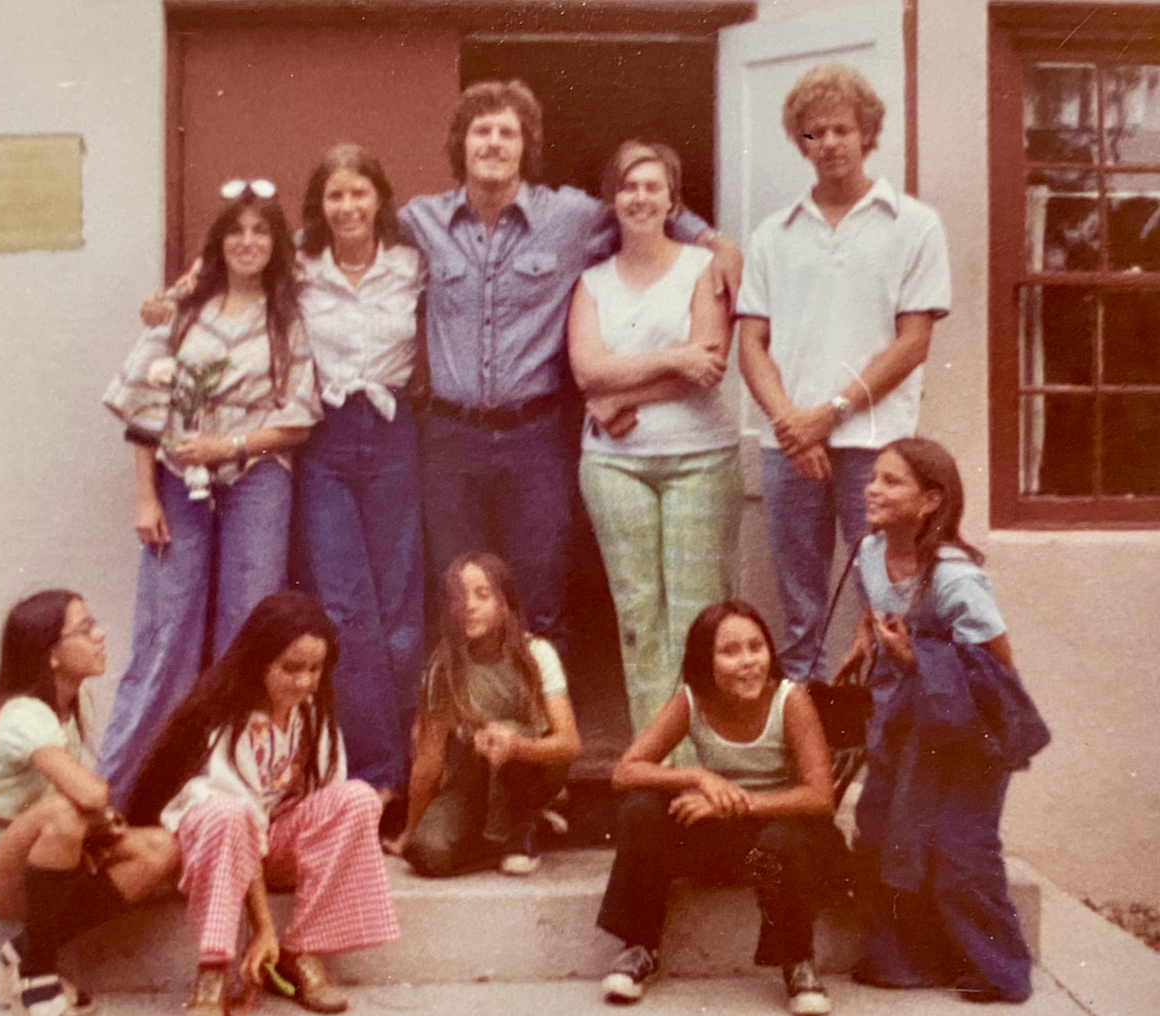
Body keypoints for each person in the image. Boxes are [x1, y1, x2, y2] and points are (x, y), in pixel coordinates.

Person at [399, 79, 740, 658]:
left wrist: (713, 241)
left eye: (508, 132)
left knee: (539, 592)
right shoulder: (420, 222)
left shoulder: (570, 217)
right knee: (459, 594)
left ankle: (542, 712)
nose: (494, 142)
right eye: (482, 131)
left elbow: (642, 206)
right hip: (450, 438)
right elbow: (339, 235)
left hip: (534, 437)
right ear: (461, 143)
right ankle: (469, 711)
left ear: (525, 146)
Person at [101, 180, 321, 805]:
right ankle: (117, 797)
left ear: (275, 243)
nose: (247, 242)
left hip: (256, 476)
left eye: (261, 231)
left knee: (248, 629)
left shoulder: (286, 318)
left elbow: (299, 420)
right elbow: (144, 407)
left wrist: (231, 446)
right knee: (166, 633)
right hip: (178, 483)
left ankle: (235, 795)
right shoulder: (183, 314)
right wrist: (145, 496)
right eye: (236, 230)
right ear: (218, 241)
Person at [736, 63, 950, 681]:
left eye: (841, 129)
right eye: (814, 133)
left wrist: (827, 416)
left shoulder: (914, 224)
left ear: (866, 134)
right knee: (800, 606)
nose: (828, 142)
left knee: (884, 598)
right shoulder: (774, 234)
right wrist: (791, 424)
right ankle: (807, 726)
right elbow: (752, 343)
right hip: (791, 448)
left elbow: (913, 343)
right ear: (800, 142)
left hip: (876, 447)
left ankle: (886, 721)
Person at [839, 437, 1046, 1003]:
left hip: (967, 733)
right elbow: (875, 596)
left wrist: (915, 659)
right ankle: (910, 960)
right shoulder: (869, 550)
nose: (872, 489)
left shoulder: (955, 579)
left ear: (930, 501)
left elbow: (999, 669)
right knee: (881, 831)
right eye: (873, 477)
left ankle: (1002, 971)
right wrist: (864, 636)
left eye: (891, 481)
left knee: (960, 847)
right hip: (901, 724)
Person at [126, 591, 399, 1015]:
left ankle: (300, 950)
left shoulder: (312, 714)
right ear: (259, 661)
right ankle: (214, 968)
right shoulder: (225, 715)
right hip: (216, 849)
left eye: (314, 669)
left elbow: (324, 801)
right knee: (228, 812)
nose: (304, 682)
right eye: (291, 668)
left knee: (359, 799)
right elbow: (240, 818)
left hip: (270, 845)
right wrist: (263, 927)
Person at [568, 140, 742, 744]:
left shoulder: (703, 268)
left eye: (653, 187)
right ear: (612, 200)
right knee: (638, 612)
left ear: (673, 200)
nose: (640, 197)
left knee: (696, 613)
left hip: (701, 457)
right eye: (628, 187)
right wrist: (671, 358)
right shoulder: (592, 282)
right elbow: (587, 370)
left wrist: (621, 394)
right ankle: (657, 758)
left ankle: (703, 758)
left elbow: (708, 366)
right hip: (614, 465)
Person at [594, 600, 843, 1015]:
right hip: (728, 846)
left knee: (782, 839)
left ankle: (798, 962)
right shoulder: (692, 700)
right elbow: (625, 771)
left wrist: (739, 806)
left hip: (782, 848)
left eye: (756, 647)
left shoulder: (790, 700)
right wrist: (699, 778)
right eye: (730, 651)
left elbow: (820, 797)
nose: (748, 661)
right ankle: (639, 947)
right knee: (642, 809)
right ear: (704, 662)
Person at [0, 590, 179, 1016]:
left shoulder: (70, 705)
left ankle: (25, 951)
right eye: (85, 628)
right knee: (64, 812)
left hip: (39, 854)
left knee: (161, 848)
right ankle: (38, 976)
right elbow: (88, 794)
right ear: (51, 654)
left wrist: (101, 826)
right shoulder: (22, 713)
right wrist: (94, 817)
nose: (100, 635)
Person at [290, 144, 427, 800]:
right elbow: (228, 263)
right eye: (335, 195)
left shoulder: (411, 263)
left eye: (358, 193)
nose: (347, 207)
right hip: (326, 439)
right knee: (346, 609)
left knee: (400, 608)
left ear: (379, 199)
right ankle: (373, 776)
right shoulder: (299, 266)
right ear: (320, 205)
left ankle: (413, 769)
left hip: (394, 432)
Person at [381, 553, 581, 877]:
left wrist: (516, 746)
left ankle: (523, 822)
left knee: (505, 730)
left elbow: (569, 744)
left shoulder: (536, 653)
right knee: (427, 853)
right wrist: (410, 831)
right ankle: (517, 835)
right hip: (476, 775)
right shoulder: (444, 667)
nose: (469, 606)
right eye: (458, 597)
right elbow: (428, 760)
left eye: (482, 594)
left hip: (531, 768)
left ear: (505, 602)